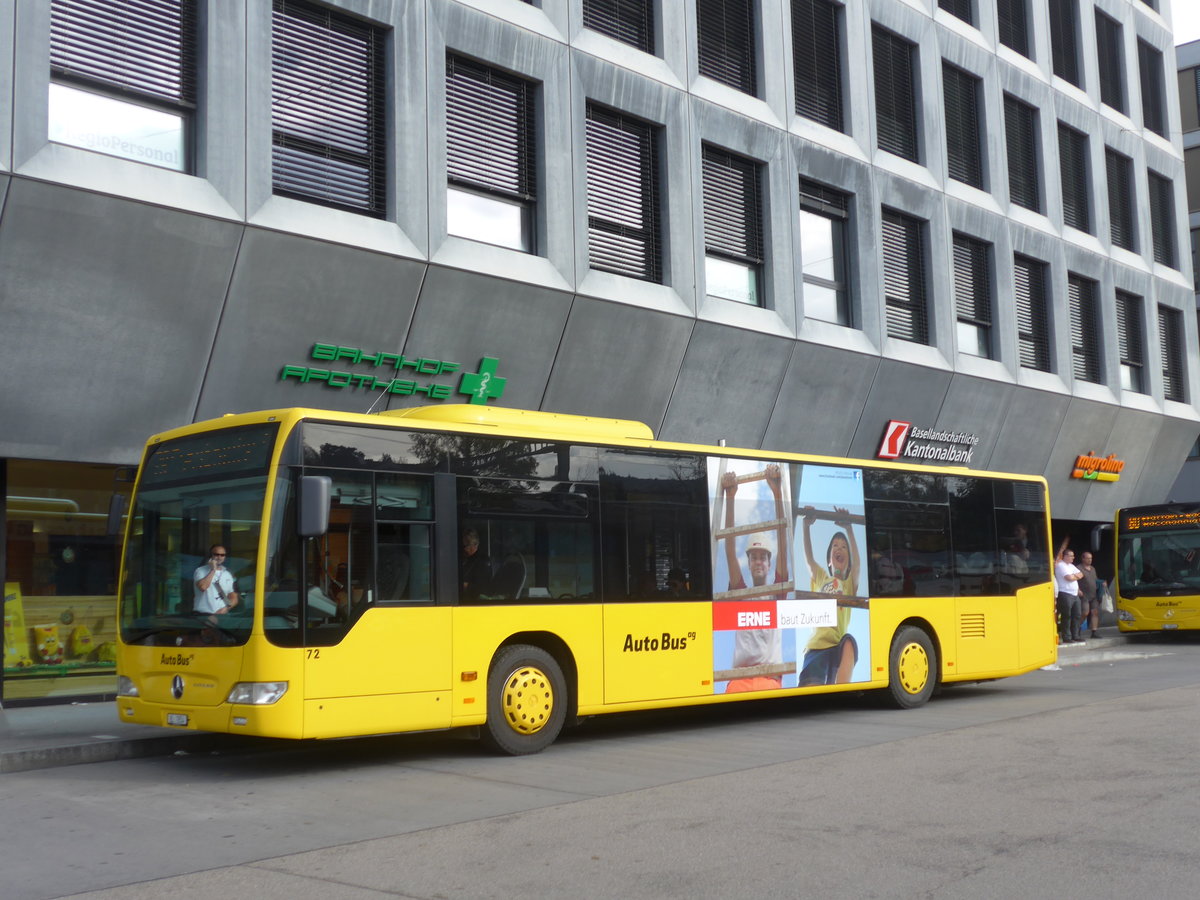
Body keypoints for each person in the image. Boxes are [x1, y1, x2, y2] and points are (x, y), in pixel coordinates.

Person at [721, 464, 788, 693]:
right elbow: (729, 550)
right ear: (749, 564)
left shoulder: (777, 593)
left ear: (769, 564)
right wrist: (731, 497)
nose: (758, 562)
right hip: (740, 678)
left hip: (768, 679)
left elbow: (782, 539)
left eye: (763, 558)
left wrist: (776, 492)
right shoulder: (741, 592)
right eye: (754, 558)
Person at [799, 507, 859, 685]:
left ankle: (841, 689)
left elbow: (857, 566)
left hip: (837, 645)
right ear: (829, 560)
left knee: (849, 642)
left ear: (848, 561)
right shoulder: (821, 577)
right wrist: (806, 526)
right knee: (811, 685)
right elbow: (809, 559)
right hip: (816, 646)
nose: (839, 548)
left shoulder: (849, 584)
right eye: (835, 546)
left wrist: (849, 528)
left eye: (843, 547)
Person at [1054, 540, 1084, 645]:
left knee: (1077, 615)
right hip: (1065, 593)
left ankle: (1075, 635)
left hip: (1074, 594)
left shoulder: (1071, 566)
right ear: (1065, 556)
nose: (1073, 558)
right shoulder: (1061, 566)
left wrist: (1074, 576)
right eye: (1071, 556)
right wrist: (1075, 576)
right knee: (1067, 616)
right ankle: (1067, 636)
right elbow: (1069, 577)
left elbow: (1081, 574)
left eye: (1073, 556)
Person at [193, 545, 238, 615]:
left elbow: (233, 596)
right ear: (211, 555)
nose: (219, 557)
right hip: (203, 614)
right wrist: (213, 570)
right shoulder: (200, 571)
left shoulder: (227, 574)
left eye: (222, 555)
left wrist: (226, 608)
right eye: (216, 554)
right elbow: (203, 587)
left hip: (221, 615)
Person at [460, 528, 492, 602]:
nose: (465, 549)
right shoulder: (466, 558)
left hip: (475, 601)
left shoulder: (483, 561)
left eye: (466, 546)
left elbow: (483, 587)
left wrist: (465, 585)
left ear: (475, 544)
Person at [1077, 550, 1102, 639]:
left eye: (1091, 558)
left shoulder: (1093, 569)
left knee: (1095, 612)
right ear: (1083, 559)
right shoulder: (1078, 568)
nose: (1090, 560)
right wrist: (1078, 590)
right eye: (1088, 558)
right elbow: (1074, 581)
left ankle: (1094, 632)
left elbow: (1095, 579)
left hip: (1093, 595)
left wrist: (1101, 583)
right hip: (1084, 595)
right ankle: (1077, 628)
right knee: (1085, 612)